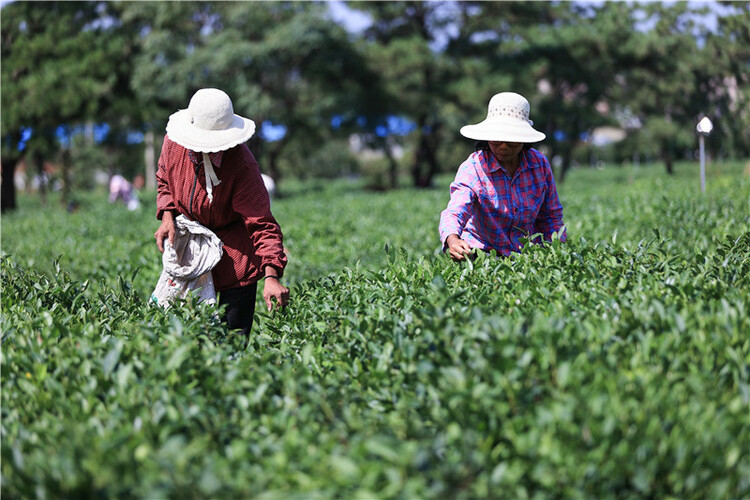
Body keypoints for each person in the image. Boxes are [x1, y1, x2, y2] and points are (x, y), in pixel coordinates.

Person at [154, 88, 289, 336]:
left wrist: (272, 276)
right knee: (186, 338)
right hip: (191, 251)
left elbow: (262, 224)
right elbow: (164, 180)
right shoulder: (173, 145)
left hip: (235, 257)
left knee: (232, 342)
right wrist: (167, 215)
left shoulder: (242, 165)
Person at [439, 92, 566, 261]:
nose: (503, 146)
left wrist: (556, 253)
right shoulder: (473, 168)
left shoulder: (539, 165)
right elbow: (455, 211)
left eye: (511, 140)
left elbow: (551, 216)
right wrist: (453, 240)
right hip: (482, 255)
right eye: (497, 139)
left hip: (527, 258)